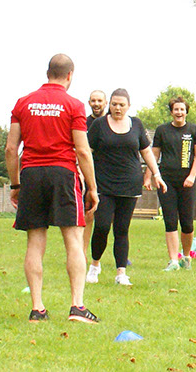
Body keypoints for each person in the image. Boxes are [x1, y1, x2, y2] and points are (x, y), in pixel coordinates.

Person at [5, 54, 100, 323]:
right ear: (70, 75)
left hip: (31, 174)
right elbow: (82, 149)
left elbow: (11, 148)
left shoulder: (23, 103)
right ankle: (77, 307)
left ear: (48, 72)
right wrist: (92, 187)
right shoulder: (73, 105)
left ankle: (38, 309)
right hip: (63, 173)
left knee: (35, 241)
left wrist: (15, 184)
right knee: (74, 239)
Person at [85, 89, 166, 286]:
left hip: (129, 184)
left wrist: (157, 175)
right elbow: (86, 152)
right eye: (114, 104)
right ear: (109, 105)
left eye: (121, 104)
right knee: (102, 226)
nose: (118, 108)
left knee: (122, 229)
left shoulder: (136, 124)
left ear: (128, 106)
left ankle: (121, 273)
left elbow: (147, 152)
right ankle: (95, 266)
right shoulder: (98, 125)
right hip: (103, 184)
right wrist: (84, 177)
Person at [145, 96, 196, 271]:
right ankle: (173, 261)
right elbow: (154, 155)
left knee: (187, 223)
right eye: (176, 109)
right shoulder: (162, 130)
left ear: (186, 111)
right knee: (170, 220)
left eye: (182, 109)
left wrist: (192, 176)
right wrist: (148, 176)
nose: (179, 112)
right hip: (166, 181)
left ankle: (186, 257)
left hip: (187, 182)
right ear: (171, 112)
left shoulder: (194, 130)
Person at [81, 90, 108, 256]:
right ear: (89, 103)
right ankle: (82, 253)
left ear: (105, 103)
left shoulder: (112, 122)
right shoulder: (83, 123)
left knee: (107, 220)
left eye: (100, 100)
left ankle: (119, 255)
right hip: (88, 173)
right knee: (88, 214)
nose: (96, 103)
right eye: (93, 101)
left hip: (108, 174)